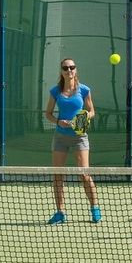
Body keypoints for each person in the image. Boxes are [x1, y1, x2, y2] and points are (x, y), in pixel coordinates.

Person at [45, 57, 100, 223]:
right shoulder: (55, 91)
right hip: (60, 137)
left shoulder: (84, 90)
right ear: (61, 71)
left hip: (79, 137)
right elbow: (48, 114)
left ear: (76, 70)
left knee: (84, 174)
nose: (69, 70)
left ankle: (95, 208)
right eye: (65, 68)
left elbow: (91, 111)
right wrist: (58, 121)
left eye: (72, 67)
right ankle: (60, 212)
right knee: (58, 175)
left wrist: (81, 119)